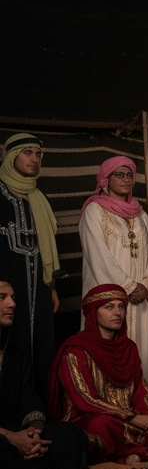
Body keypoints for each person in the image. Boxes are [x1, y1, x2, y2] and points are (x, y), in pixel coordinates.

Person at [48, 284, 148, 465]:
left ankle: (135, 452)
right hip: (93, 417)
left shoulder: (129, 347)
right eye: (109, 307)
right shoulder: (76, 351)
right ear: (94, 312)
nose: (117, 312)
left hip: (132, 417)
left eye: (121, 306)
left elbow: (141, 390)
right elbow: (85, 400)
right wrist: (132, 418)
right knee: (100, 425)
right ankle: (138, 451)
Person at [79, 156, 148, 388]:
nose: (125, 179)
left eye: (129, 175)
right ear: (105, 179)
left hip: (140, 298)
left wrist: (146, 284)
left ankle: (140, 407)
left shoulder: (140, 215)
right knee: (108, 352)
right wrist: (127, 287)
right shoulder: (94, 210)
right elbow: (98, 256)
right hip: (109, 297)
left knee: (141, 353)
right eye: (119, 174)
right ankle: (109, 411)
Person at [0, 280, 88, 469]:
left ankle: (29, 467)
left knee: (71, 436)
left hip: (19, 432)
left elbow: (31, 401)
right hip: (4, 437)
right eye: (2, 298)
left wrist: (34, 434)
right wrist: (12, 438)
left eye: (13, 298)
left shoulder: (14, 355)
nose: (11, 304)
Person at [0, 133, 60, 401]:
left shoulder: (38, 197)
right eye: (27, 153)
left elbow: (47, 248)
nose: (34, 159)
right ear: (11, 156)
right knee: (11, 344)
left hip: (40, 287)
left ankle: (39, 416)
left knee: (43, 345)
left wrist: (52, 288)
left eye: (37, 154)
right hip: (6, 290)